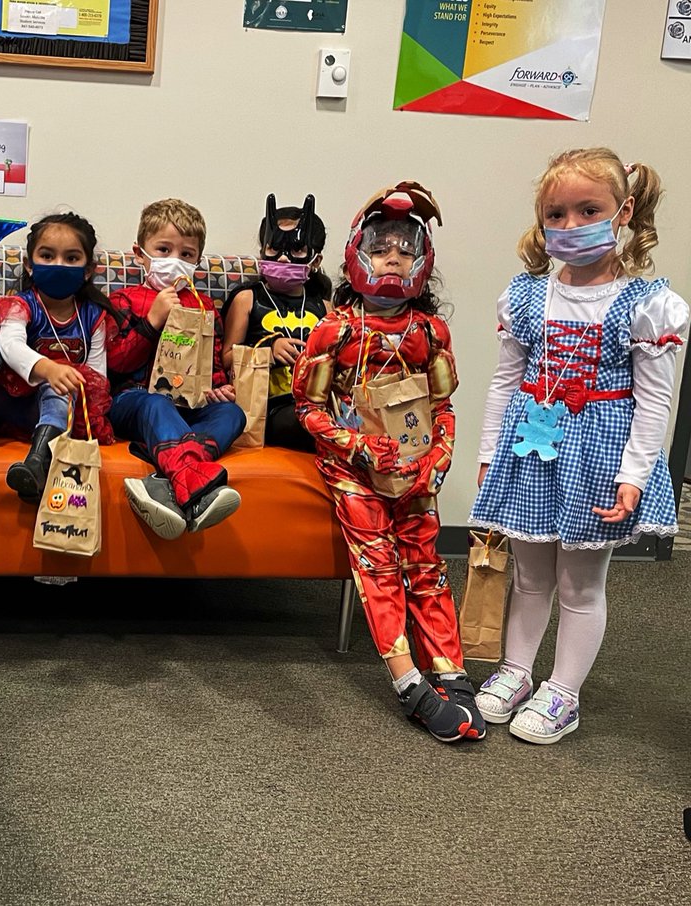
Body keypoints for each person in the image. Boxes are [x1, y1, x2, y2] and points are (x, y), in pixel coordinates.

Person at [470, 148, 688, 744]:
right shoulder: (525, 295)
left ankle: (563, 690)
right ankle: (517, 670)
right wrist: (488, 455)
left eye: (588, 210)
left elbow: (654, 402)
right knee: (529, 575)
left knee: (580, 585)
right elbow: (504, 381)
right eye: (555, 214)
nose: (570, 225)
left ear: (624, 211)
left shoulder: (648, 305)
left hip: (599, 459)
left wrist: (634, 476)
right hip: (530, 451)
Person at [292, 181, 483, 744]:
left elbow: (443, 405)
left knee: (425, 563)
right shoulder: (335, 330)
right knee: (378, 563)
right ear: (357, 255)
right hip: (353, 469)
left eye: (405, 248)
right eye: (380, 248)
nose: (393, 258)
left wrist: (440, 455)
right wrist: (356, 446)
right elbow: (308, 408)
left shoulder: (430, 332)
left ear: (424, 260)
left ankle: (451, 672)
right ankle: (408, 683)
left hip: (414, 466)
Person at [0, 212, 119, 500]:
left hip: (50, 414)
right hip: (1, 403)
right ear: (29, 265)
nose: (58, 265)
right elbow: (10, 345)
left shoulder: (94, 316)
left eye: (71, 258)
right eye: (47, 256)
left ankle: (38, 463)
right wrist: (48, 368)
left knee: (62, 387)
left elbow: (97, 376)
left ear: (88, 270)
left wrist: (66, 381)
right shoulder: (21, 305)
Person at [106, 198, 247, 540]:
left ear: (197, 260)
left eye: (186, 254)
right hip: (134, 401)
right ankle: (191, 480)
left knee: (233, 414)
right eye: (164, 250)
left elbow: (212, 366)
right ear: (140, 254)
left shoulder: (204, 307)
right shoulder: (124, 300)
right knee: (157, 403)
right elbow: (115, 363)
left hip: (188, 408)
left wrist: (218, 388)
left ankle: (168, 475)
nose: (174, 260)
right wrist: (151, 321)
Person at [222, 192, 332, 450]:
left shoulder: (325, 307)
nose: (283, 258)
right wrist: (268, 351)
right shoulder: (247, 299)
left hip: (316, 403)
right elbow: (226, 358)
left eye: (296, 250)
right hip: (267, 407)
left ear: (315, 260)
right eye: (275, 248)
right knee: (309, 423)